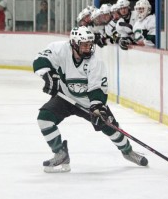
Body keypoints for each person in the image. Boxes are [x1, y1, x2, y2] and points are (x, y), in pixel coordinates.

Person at [33, 26, 148, 173]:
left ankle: (128, 151)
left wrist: (97, 107)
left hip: (88, 101)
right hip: (65, 97)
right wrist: (48, 76)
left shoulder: (95, 62)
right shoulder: (59, 49)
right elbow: (40, 60)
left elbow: (97, 88)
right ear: (74, 43)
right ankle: (60, 153)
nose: (88, 48)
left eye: (90, 44)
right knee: (44, 118)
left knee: (110, 127)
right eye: (84, 45)